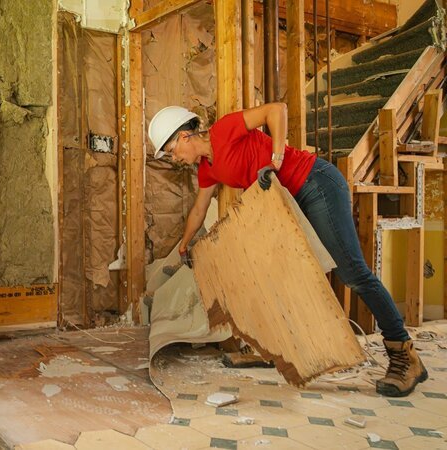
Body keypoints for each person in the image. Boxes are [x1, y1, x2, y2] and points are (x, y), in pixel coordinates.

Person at [148, 103, 428, 397]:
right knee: (271, 274)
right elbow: (198, 209)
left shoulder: (224, 130)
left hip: (316, 183)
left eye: (171, 151)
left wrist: (276, 159)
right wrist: (183, 246)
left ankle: (404, 356)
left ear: (183, 137)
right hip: (289, 202)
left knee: (353, 273)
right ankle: (278, 350)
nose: (175, 158)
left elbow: (278, 110)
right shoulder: (207, 169)